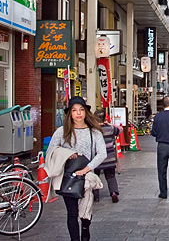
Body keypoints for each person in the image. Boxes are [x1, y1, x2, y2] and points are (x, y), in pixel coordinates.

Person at [47, 96, 108, 241]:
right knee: (72, 213)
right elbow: (50, 151)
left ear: (86, 112)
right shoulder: (62, 132)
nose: (78, 113)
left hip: (86, 178)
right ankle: (75, 239)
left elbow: (102, 154)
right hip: (68, 177)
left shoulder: (94, 132)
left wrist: (87, 168)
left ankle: (85, 230)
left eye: (81, 110)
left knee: (86, 211)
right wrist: (66, 155)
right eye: (74, 110)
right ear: (70, 114)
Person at [92, 109, 120, 203]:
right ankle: (113, 193)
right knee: (111, 176)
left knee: (95, 176)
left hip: (97, 158)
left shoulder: (92, 130)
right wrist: (108, 124)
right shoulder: (110, 128)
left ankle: (95, 196)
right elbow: (120, 129)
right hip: (109, 157)